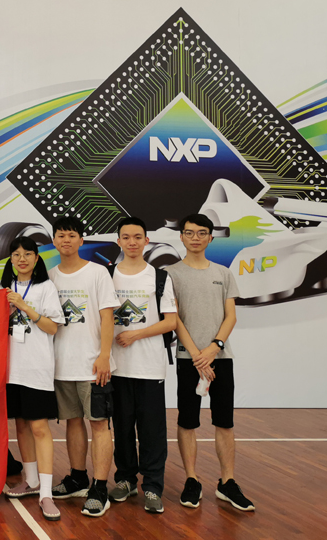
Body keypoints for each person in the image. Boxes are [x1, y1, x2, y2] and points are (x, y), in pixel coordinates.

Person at [166, 213, 255, 512]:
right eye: (189, 232)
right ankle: (191, 480)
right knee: (187, 421)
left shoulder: (223, 273)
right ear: (181, 236)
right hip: (188, 358)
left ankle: (227, 482)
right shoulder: (169, 274)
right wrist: (197, 355)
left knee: (224, 422)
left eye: (201, 233)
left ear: (210, 237)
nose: (195, 238)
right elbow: (174, 318)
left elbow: (231, 316)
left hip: (220, 358)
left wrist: (214, 348)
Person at [48, 216, 120, 518]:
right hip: (61, 365)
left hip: (93, 365)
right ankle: (78, 477)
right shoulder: (49, 276)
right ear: (54, 240)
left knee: (99, 424)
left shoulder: (97, 272)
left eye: (71, 235)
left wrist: (104, 355)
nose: (66, 240)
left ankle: (100, 486)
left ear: (81, 240)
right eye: (61, 235)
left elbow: (107, 316)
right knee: (73, 422)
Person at [108, 217, 177, 514]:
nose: (132, 242)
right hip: (116, 367)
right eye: (126, 237)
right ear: (119, 241)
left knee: (151, 431)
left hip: (149, 366)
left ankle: (152, 486)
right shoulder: (107, 275)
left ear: (147, 241)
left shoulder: (159, 277)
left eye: (138, 237)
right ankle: (125, 480)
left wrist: (135, 334)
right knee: (122, 428)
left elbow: (171, 322)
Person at [0, 237, 66, 521]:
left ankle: (46, 494)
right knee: (22, 426)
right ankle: (31, 480)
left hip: (36, 368)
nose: (22, 259)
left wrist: (25, 307)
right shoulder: (2, 289)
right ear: (11, 260)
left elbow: (52, 327)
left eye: (28, 254)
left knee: (39, 427)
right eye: (16, 254)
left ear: (37, 259)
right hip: (9, 369)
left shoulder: (45, 287)